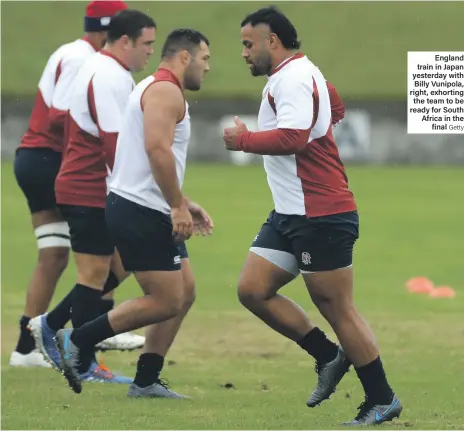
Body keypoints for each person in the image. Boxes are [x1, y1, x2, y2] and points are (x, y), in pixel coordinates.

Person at [222, 6, 403, 426]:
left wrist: (244, 140)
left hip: (320, 213)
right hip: (290, 212)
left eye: (249, 45)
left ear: (272, 42)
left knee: (339, 310)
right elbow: (334, 109)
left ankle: (381, 398)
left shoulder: (294, 79)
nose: (244, 53)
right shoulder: (302, 74)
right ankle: (327, 356)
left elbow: (294, 136)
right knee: (252, 289)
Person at [53, 28, 212, 398]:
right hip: (142, 209)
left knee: (184, 291)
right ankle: (77, 339)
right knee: (166, 299)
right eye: (204, 59)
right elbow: (157, 150)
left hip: (145, 203)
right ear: (185, 57)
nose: (207, 68)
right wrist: (176, 206)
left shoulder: (152, 88)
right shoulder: (165, 91)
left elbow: (145, 158)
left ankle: (146, 381)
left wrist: (181, 200)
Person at [10, 0, 141, 369]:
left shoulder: (75, 53)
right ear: (111, 31)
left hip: (39, 159)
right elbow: (59, 116)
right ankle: (97, 328)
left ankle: (27, 347)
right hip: (52, 159)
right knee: (114, 243)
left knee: (54, 255)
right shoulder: (86, 59)